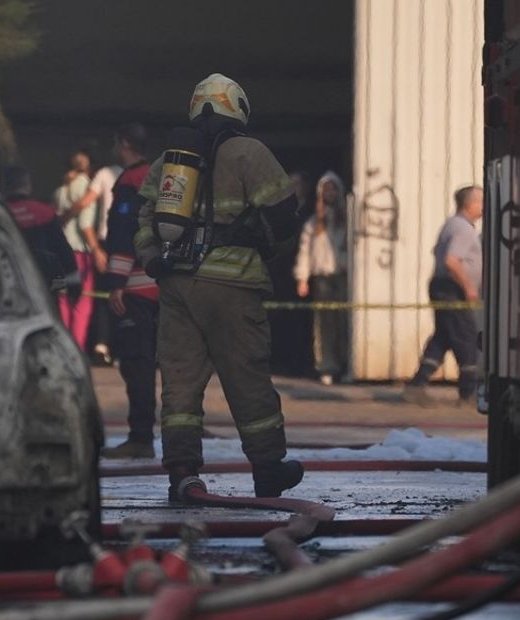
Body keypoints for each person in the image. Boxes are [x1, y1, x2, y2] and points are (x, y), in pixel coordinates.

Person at [133, 73, 305, 500]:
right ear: (237, 107)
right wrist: (265, 249)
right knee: (246, 378)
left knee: (180, 381)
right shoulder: (250, 153)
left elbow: (142, 222)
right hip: (232, 287)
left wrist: (154, 260)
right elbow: (285, 217)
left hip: (176, 285)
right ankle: (268, 470)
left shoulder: (168, 162)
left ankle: (183, 473)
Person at [100, 123, 158, 459]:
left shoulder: (129, 182)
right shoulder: (159, 176)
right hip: (160, 287)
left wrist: (116, 285)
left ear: (123, 144)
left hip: (135, 288)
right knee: (152, 363)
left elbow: (123, 234)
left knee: (136, 364)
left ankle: (140, 438)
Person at [402, 185, 484, 406]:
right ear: (470, 204)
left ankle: (416, 386)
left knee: (444, 337)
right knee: (466, 337)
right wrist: (468, 287)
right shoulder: (463, 229)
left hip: (443, 287)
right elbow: (451, 260)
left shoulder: (454, 224)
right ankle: (469, 394)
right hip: (452, 289)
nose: (484, 206)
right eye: (481, 201)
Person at [294, 171, 349, 386]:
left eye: (334, 189)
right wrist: (302, 278)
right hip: (321, 277)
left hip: (343, 276)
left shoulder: (347, 220)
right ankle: (327, 366)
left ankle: (346, 365)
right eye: (326, 190)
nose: (331, 193)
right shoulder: (313, 223)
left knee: (345, 323)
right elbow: (304, 251)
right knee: (324, 324)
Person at [53, 149, 105, 350]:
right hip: (80, 253)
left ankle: (64, 348)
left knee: (63, 299)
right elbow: (85, 223)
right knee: (82, 303)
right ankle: (77, 349)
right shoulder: (88, 188)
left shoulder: (59, 191)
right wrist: (96, 249)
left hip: (62, 251)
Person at [2, 165, 77, 293]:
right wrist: (74, 282)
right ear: (27, 184)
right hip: (43, 287)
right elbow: (62, 248)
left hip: (7, 287)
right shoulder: (44, 212)